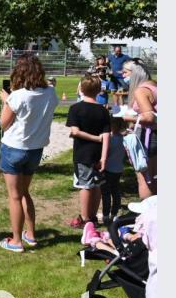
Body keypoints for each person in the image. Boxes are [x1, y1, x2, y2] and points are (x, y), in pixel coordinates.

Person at [0, 55, 59, 252]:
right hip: (35, 149)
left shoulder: (18, 96)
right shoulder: (50, 93)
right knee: (25, 193)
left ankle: (16, 241)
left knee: (15, 196)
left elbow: (4, 123)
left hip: (14, 148)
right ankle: (30, 234)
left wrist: (6, 101)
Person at [66, 75, 111, 229]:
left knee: (85, 185)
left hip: (82, 154)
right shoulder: (103, 111)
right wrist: (104, 157)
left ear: (81, 89)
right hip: (98, 154)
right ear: (99, 90)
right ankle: (93, 215)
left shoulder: (75, 109)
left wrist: (94, 138)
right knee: (97, 184)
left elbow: (76, 132)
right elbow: (106, 136)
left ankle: (85, 218)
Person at [119, 59, 157, 199]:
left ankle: (147, 215)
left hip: (148, 137)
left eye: (125, 72)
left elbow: (149, 117)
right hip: (154, 135)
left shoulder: (141, 90)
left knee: (145, 179)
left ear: (135, 73)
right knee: (155, 177)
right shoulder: (154, 85)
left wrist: (126, 118)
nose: (123, 76)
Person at [101, 117, 127, 224]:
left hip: (108, 169)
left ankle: (106, 215)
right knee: (115, 191)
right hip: (118, 169)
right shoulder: (124, 139)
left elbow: (105, 153)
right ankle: (114, 213)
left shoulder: (110, 139)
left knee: (106, 193)